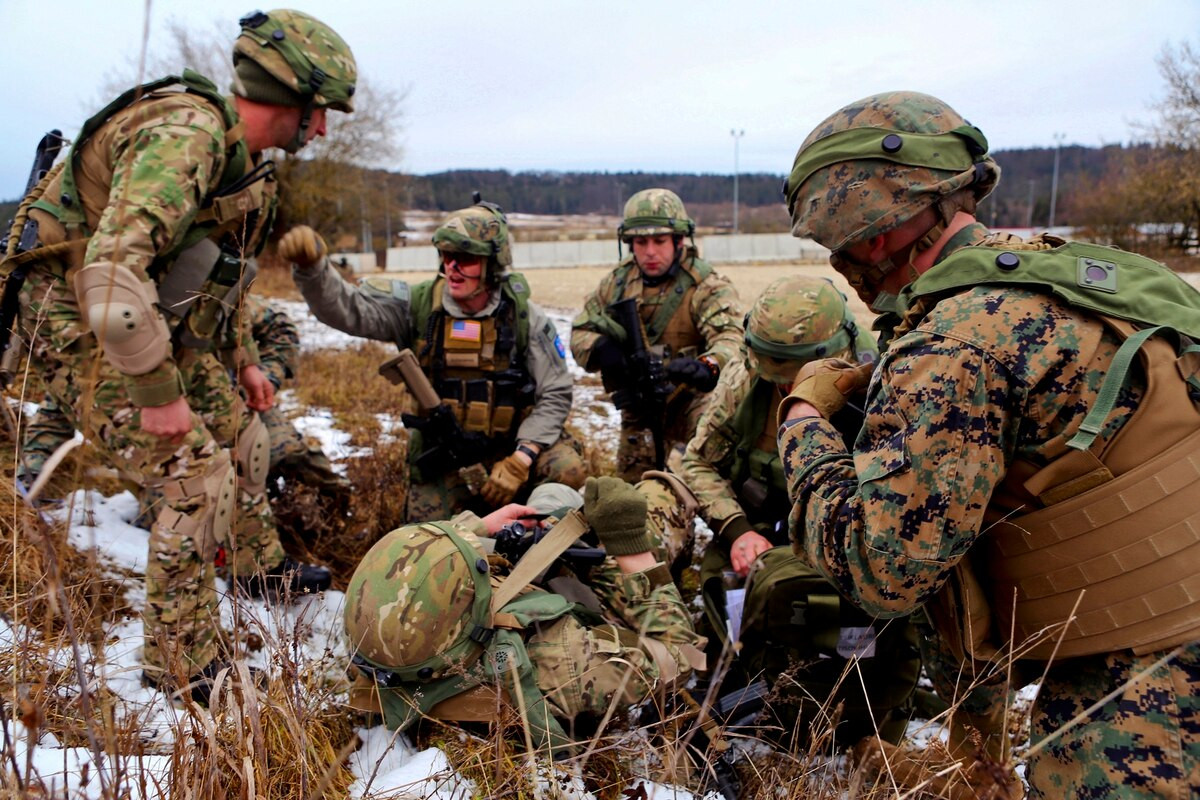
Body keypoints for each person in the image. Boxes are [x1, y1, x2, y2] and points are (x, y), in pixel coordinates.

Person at [778, 91, 1200, 796]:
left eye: (836, 247)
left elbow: (885, 569)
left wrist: (803, 426)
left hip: (1148, 672)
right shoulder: (1088, 275)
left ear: (870, 236)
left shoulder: (951, 344)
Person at [4, 9, 354, 700]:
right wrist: (159, 394)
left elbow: (228, 281)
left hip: (142, 312)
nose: (320, 129)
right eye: (318, 112)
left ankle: (256, 568)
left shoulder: (247, 168)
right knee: (190, 477)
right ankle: (181, 666)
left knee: (244, 440)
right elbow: (111, 272)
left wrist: (247, 360)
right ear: (288, 93)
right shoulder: (185, 136)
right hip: (74, 313)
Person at [342, 476, 706, 752]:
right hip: (579, 617)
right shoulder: (560, 657)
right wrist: (631, 548)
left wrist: (481, 527)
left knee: (551, 499)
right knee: (641, 493)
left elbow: (411, 565)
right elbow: (681, 655)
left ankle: (555, 503)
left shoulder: (381, 635)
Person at [285, 200, 586, 521]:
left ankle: (540, 543)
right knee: (424, 536)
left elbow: (555, 392)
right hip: (446, 454)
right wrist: (313, 269)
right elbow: (349, 310)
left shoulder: (525, 318)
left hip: (512, 448)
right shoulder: (417, 306)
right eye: (447, 255)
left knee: (566, 470)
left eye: (466, 258)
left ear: (493, 263)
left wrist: (521, 459)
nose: (453, 267)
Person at [17, 295, 350, 502]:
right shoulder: (122, 333)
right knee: (181, 506)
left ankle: (337, 520)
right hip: (170, 428)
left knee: (285, 452)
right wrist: (32, 471)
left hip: (235, 405)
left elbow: (279, 327)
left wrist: (265, 378)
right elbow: (63, 401)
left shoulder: (205, 299)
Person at [570, 189, 743, 481]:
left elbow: (733, 337)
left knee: (715, 474)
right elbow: (580, 331)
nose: (650, 251)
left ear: (679, 241)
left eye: (659, 241)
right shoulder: (617, 283)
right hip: (640, 405)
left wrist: (708, 365)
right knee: (633, 495)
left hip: (693, 401)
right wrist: (602, 347)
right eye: (641, 242)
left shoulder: (706, 285)